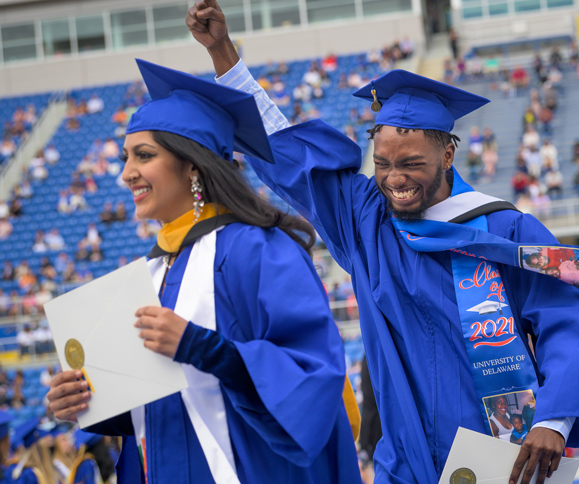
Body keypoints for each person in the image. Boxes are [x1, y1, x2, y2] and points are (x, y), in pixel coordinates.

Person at [187, 0, 579, 484]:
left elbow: (567, 319)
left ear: (448, 154)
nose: (394, 179)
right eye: (382, 164)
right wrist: (224, 55)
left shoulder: (503, 230)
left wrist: (554, 420)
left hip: (498, 455)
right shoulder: (367, 223)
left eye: (411, 164)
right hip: (402, 461)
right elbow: (291, 157)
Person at [46, 58, 361, 484]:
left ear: (192, 165)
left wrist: (204, 349)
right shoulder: (153, 270)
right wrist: (89, 403)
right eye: (125, 157)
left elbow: (312, 379)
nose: (125, 173)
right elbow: (171, 407)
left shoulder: (259, 250)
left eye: (144, 155)